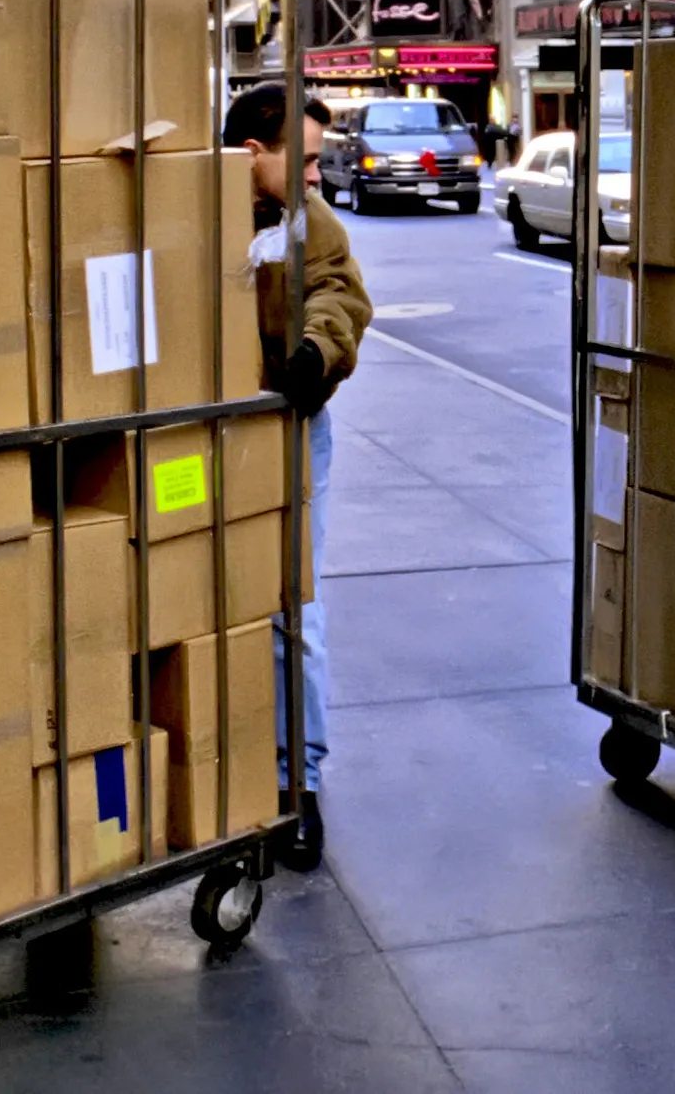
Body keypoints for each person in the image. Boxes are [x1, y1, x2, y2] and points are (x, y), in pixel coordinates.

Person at [220, 80, 373, 874]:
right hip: (199, 440)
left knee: (290, 603)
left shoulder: (310, 225)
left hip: (287, 429)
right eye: (304, 160)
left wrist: (313, 356)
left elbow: (340, 297)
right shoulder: (192, 211)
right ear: (254, 154)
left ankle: (298, 783)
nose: (316, 175)